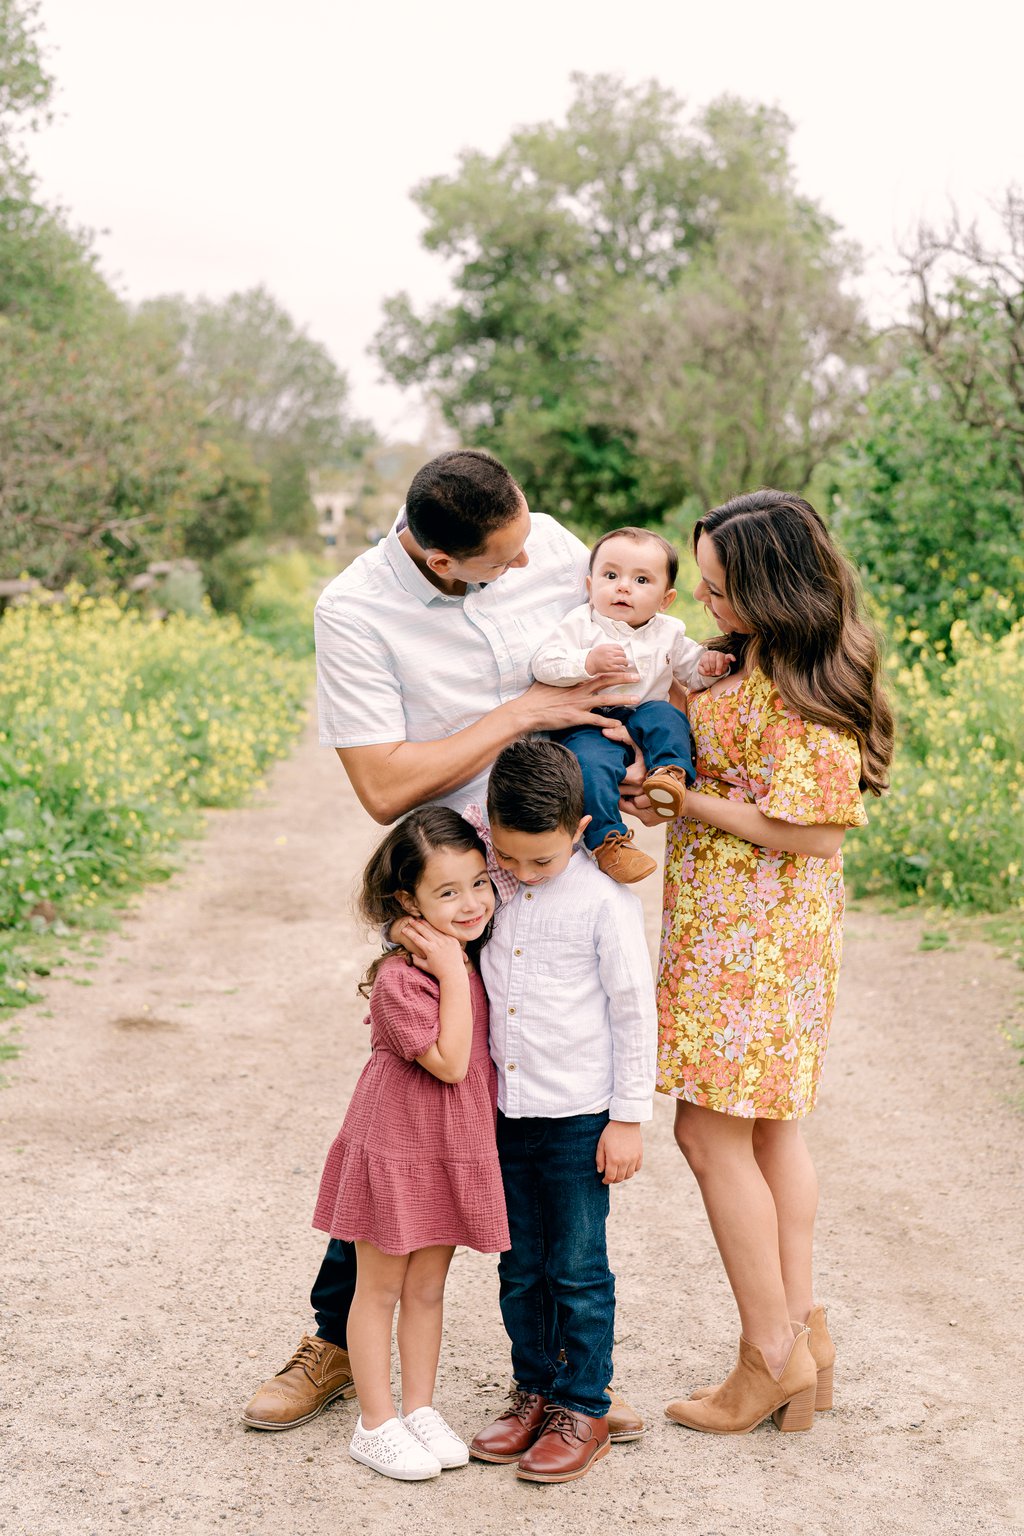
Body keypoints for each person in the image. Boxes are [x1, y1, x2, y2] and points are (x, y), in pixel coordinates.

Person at [241, 449, 648, 1440]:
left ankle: (563, 1374)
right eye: (497, 560)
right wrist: (518, 716)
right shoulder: (354, 611)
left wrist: (622, 748)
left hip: (547, 867)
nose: (525, 563)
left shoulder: (537, 539)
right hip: (455, 882)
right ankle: (337, 1335)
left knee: (544, 1110)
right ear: (435, 553)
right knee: (409, 1113)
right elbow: (383, 787)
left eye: (524, 543)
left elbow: (611, 630)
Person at [649, 490, 894, 1436]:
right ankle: (803, 1338)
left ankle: (769, 1358)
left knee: (711, 1138)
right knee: (767, 1134)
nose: (707, 600)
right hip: (745, 927)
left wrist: (686, 804)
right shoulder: (760, 661)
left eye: (721, 589)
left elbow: (817, 833)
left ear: (773, 587)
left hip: (753, 939)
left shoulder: (805, 684)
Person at [467, 740, 656, 1484]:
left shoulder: (605, 903)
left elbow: (633, 1012)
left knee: (577, 1270)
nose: (521, 873)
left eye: (539, 860)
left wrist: (628, 1117)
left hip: (580, 1116)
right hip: (509, 1114)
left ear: (579, 828)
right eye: (509, 857)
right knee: (520, 1267)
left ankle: (585, 1404)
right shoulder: (494, 889)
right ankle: (535, 1391)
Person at [312, 807, 508, 1480]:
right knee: (380, 1287)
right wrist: (452, 972)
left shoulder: (473, 957)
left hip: (449, 1147)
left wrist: (459, 963)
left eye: (478, 883)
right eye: (446, 892)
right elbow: (450, 1063)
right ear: (408, 901)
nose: (470, 903)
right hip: (394, 1146)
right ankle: (376, 1422)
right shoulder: (406, 978)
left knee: (429, 1287)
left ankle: (419, 1410)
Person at [532, 526, 731, 883]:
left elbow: (692, 673)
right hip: (588, 722)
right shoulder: (582, 623)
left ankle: (669, 773)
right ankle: (609, 842)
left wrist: (709, 666)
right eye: (611, 575)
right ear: (591, 586)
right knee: (589, 765)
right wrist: (587, 663)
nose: (623, 586)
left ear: (665, 599)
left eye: (641, 580)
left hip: (642, 712)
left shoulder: (669, 632)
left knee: (668, 716)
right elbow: (544, 663)